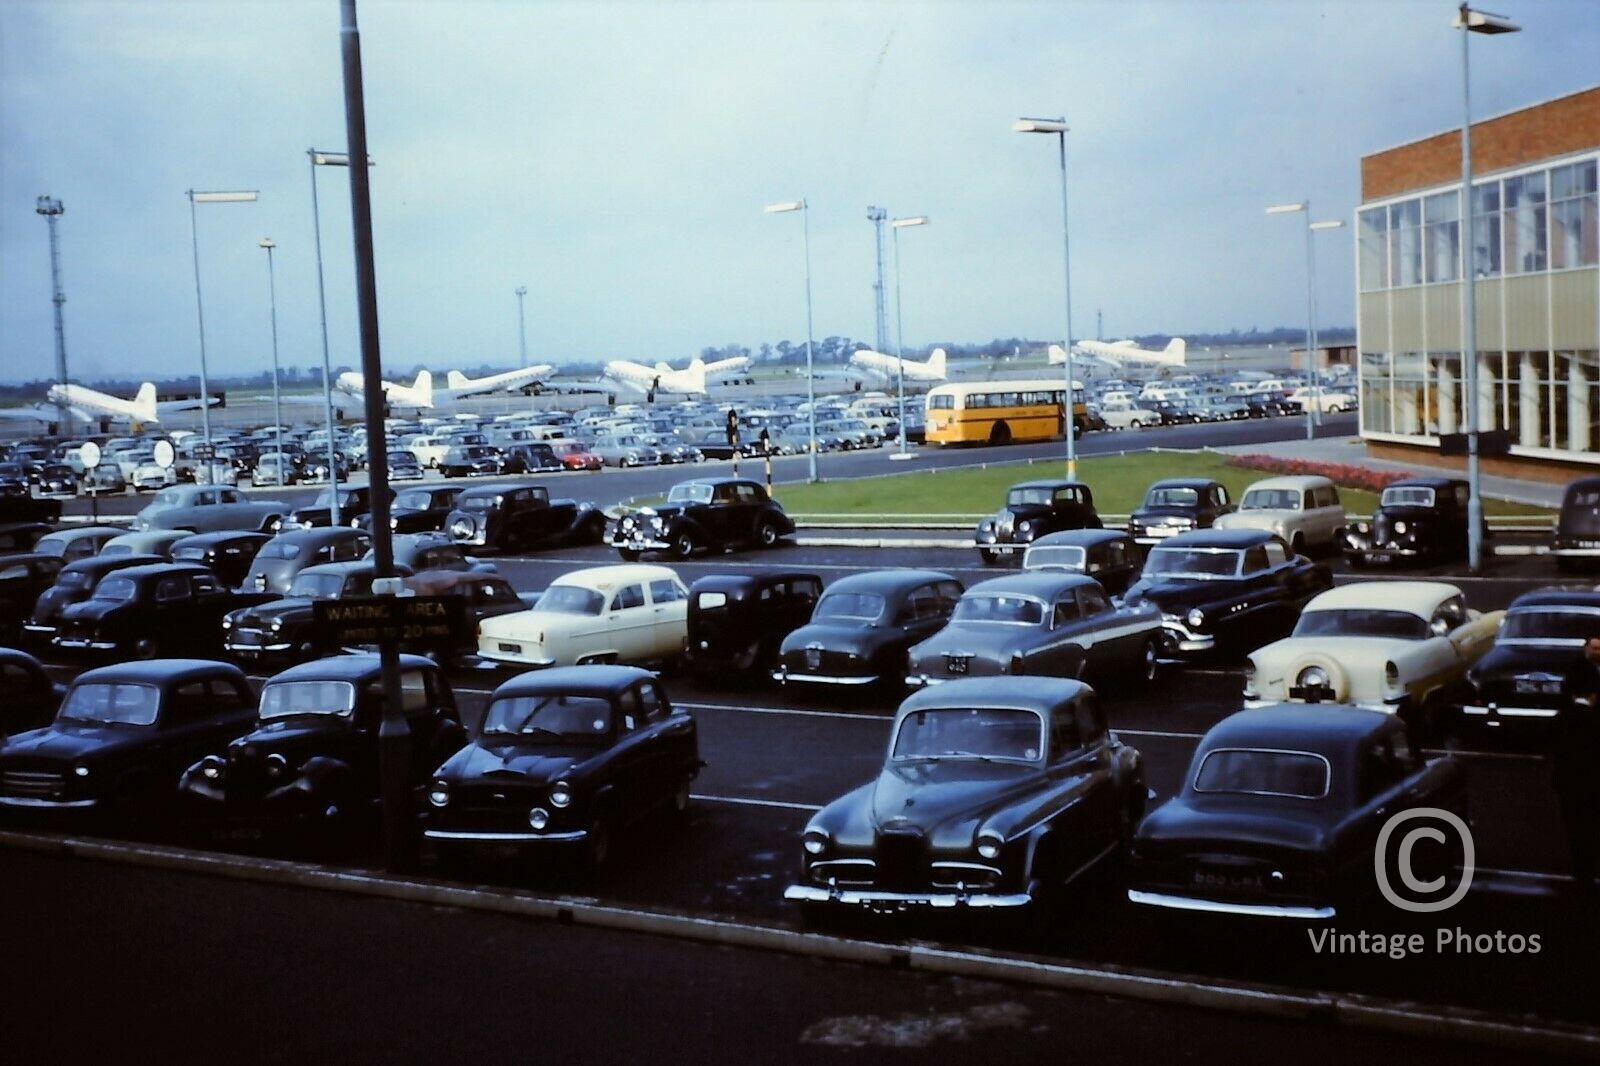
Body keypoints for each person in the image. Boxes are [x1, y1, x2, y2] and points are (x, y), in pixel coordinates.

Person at [1551, 635, 1600, 893]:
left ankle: (1582, 875)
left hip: (1569, 784)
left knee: (1576, 830)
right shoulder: (1594, 722)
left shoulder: (1562, 719)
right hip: (1593, 784)